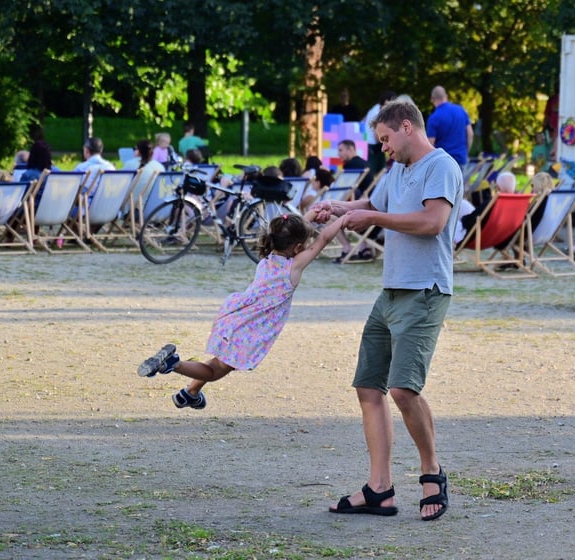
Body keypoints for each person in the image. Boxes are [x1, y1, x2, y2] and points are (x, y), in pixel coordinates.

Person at [313, 97, 462, 521]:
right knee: (368, 386)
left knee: (403, 389)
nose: (383, 148)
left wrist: (376, 219)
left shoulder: (442, 167)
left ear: (407, 127)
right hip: (391, 290)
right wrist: (342, 209)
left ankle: (432, 472)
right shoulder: (397, 169)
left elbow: (432, 222)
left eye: (385, 139)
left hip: (425, 289)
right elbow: (374, 207)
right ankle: (379, 490)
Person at [137, 209, 345, 408]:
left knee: (223, 360)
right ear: (298, 247)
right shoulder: (293, 266)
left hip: (237, 315)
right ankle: (173, 364)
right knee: (214, 371)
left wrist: (313, 214)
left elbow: (289, 228)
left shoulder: (267, 260)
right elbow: (323, 239)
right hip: (250, 327)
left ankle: (189, 394)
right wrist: (344, 220)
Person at [426, 86, 474, 167]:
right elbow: (470, 134)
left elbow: (430, 143)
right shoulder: (461, 110)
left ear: (432, 99)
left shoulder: (434, 117)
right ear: (446, 96)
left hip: (443, 162)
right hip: (461, 158)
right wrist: (466, 153)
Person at [364, 90, 398, 177]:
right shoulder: (377, 113)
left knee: (382, 173)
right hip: (373, 148)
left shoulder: (377, 109)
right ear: (386, 101)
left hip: (375, 147)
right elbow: (377, 137)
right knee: (376, 175)